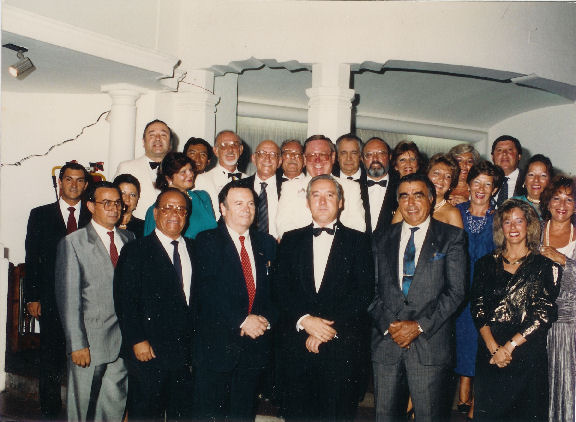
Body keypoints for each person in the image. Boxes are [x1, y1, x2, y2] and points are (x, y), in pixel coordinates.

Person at [274, 175, 374, 422]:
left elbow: (363, 293)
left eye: (329, 195)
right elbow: (279, 288)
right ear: (307, 202)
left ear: (340, 202)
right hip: (297, 347)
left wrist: (323, 330)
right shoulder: (290, 239)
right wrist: (305, 320)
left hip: (340, 347)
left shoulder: (360, 241)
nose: (322, 201)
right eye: (316, 195)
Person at [369, 173, 467, 422]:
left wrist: (418, 326)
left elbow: (456, 291)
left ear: (431, 199)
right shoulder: (381, 237)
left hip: (429, 345)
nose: (411, 203)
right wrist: (390, 326)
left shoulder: (451, 237)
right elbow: (369, 289)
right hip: (387, 343)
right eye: (404, 196)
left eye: (418, 195)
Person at [193, 181, 276, 421]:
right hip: (217, 348)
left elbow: (276, 292)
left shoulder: (267, 243)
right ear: (223, 208)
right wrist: (241, 320)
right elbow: (205, 291)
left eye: (250, 204)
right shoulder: (206, 241)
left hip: (254, 347)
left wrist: (264, 321)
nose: (246, 209)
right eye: (238, 203)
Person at [471, 198, 561, 422]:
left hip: (526, 354)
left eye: (519, 221)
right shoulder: (484, 263)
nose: (513, 227)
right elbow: (478, 308)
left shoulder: (545, 266)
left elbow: (543, 314)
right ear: (500, 227)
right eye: (507, 221)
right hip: (491, 352)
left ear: (529, 225)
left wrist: (509, 347)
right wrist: (494, 348)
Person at [55, 181, 135, 421]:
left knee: (113, 404)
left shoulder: (129, 238)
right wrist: (76, 344)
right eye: (106, 203)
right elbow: (68, 299)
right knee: (80, 408)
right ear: (90, 206)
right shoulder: (74, 242)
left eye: (117, 203)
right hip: (89, 341)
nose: (113, 208)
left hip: (123, 340)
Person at [115, 188, 195, 421]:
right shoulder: (136, 250)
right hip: (149, 350)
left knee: (182, 414)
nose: (175, 214)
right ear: (155, 212)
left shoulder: (195, 249)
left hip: (185, 352)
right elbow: (125, 300)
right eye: (168, 208)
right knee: (146, 414)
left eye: (181, 209)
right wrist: (137, 339)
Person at [24, 162, 91, 419]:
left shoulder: (93, 215)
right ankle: (50, 412)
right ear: (60, 182)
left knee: (83, 353)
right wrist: (32, 297)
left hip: (85, 299)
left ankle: (81, 410)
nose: (74, 185)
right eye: (69, 179)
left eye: (79, 180)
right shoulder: (40, 215)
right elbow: (33, 258)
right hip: (51, 298)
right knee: (50, 356)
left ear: (86, 185)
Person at [454, 161, 503, 420]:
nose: (481, 189)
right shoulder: (455, 211)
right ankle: (462, 386)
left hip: (486, 290)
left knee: (480, 340)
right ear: (469, 184)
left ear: (494, 189)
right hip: (456, 287)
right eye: (477, 182)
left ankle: (477, 400)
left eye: (488, 184)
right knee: (458, 339)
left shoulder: (500, 218)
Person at [276, 135, 365, 238]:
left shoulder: (351, 187)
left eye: (323, 155)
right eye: (311, 155)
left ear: (333, 157)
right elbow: (283, 225)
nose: (317, 160)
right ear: (305, 159)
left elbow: (358, 226)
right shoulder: (290, 187)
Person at [539, 176, 576, 422]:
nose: (562, 205)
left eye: (569, 199)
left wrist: (564, 260)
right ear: (547, 202)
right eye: (556, 198)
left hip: (571, 327)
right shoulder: (534, 231)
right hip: (536, 325)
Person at [144, 152, 217, 239]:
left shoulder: (202, 197)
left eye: (191, 170)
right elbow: (151, 243)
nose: (191, 174)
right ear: (169, 178)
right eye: (183, 172)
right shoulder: (158, 209)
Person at [115, 119, 173, 219]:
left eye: (163, 135)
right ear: (143, 141)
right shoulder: (126, 167)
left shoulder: (182, 171)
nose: (158, 138)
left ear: (170, 143)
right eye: (152, 135)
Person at [392, 154, 463, 228]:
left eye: (448, 176)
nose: (441, 179)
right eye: (436, 173)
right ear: (426, 175)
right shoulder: (409, 205)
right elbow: (393, 233)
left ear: (451, 183)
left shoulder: (453, 213)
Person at [194, 130, 247, 217]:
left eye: (234, 144)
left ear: (240, 150)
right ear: (216, 151)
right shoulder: (202, 180)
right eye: (224, 145)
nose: (230, 150)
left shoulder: (249, 180)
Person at [237, 140, 284, 239]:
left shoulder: (288, 187)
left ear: (279, 161)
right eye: (262, 153)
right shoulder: (238, 186)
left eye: (273, 154)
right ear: (254, 158)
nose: (267, 158)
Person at [359, 136, 398, 235]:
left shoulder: (401, 186)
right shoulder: (352, 188)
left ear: (389, 157)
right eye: (369, 154)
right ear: (362, 159)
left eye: (381, 153)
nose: (375, 159)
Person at [513, 154, 554, 219]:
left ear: (550, 181)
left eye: (543, 175)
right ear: (524, 180)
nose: (536, 180)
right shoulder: (513, 204)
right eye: (531, 175)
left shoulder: (556, 206)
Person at [491, 135, 524, 207]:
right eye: (499, 150)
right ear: (492, 157)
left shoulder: (529, 181)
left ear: (519, 156)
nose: (504, 153)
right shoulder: (486, 179)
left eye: (510, 150)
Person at [113, 173, 145, 238]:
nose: (127, 199)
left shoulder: (144, 227)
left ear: (138, 198)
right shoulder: (105, 223)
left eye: (132, 195)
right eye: (122, 193)